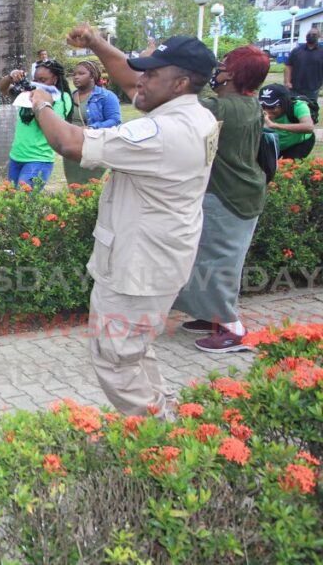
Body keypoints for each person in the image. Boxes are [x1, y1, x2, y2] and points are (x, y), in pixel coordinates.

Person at [29, 27, 219, 418]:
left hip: (137, 270)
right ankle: (166, 422)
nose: (140, 81)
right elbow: (133, 79)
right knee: (137, 351)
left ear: (180, 82)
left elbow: (71, 143)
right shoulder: (195, 113)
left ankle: (156, 443)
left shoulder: (161, 132)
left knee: (116, 360)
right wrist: (97, 44)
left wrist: (41, 103)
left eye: (152, 74)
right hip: (158, 260)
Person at [171, 46, 271, 353]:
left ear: (236, 74)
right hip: (240, 192)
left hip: (229, 196)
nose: (220, 69)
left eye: (226, 64)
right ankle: (209, 314)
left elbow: (180, 102)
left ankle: (233, 329)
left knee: (219, 262)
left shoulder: (224, 108)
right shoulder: (246, 104)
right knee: (206, 258)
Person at [0, 60, 74, 189]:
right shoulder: (28, 94)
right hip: (17, 156)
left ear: (55, 79)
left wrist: (39, 102)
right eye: (36, 80)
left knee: (24, 201)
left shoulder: (61, 98)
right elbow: (2, 88)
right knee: (11, 201)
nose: (38, 84)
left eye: (43, 80)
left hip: (39, 158)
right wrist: (11, 77)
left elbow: (46, 124)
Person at [65, 60, 122, 185]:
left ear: (92, 76)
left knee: (91, 186)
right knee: (73, 186)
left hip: (94, 146)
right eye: (74, 74)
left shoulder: (106, 96)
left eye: (81, 73)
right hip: (72, 148)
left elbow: (115, 120)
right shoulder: (68, 97)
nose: (76, 77)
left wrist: (92, 128)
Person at [259, 84, 317, 160]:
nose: (266, 111)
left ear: (284, 103)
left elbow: (309, 127)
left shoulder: (298, 106)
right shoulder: (257, 109)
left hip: (298, 143)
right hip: (277, 143)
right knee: (266, 168)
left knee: (288, 166)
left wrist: (274, 125)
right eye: (263, 106)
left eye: (271, 107)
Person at [286, 27, 322, 101]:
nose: (311, 36)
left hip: (313, 89)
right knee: (292, 110)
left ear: (319, 37)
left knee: (310, 111)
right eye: (309, 34)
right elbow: (288, 66)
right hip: (295, 88)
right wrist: (287, 81)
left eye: (314, 34)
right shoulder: (296, 51)